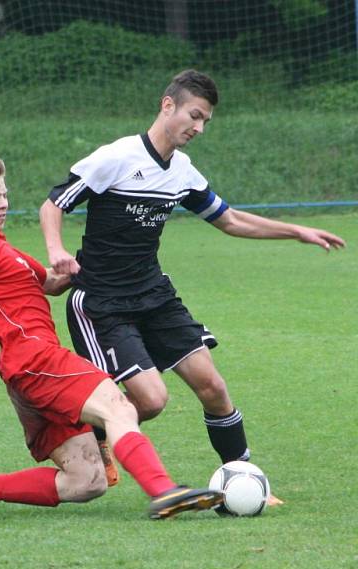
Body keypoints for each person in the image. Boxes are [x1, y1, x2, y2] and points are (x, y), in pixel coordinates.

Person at [40, 69, 345, 500]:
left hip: (154, 295)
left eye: (205, 122)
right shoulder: (117, 157)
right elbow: (54, 203)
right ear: (168, 106)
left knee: (213, 386)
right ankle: (82, 437)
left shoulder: (181, 172)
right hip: (103, 302)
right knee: (150, 401)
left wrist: (295, 231)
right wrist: (56, 250)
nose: (198, 128)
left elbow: (231, 220)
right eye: (194, 116)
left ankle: (241, 475)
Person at [0, 158, 223, 520]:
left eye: (4, 195)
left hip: (25, 373)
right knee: (120, 407)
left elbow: (49, 283)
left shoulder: (4, 249)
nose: (3, 203)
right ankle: (164, 491)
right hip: (36, 360)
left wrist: (95, 262)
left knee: (87, 481)